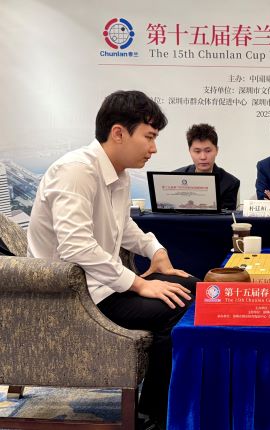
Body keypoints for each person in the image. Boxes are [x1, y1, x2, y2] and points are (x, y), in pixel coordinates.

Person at [27, 90, 198, 429]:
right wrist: (138, 284)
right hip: (73, 296)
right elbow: (75, 246)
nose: (154, 148)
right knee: (178, 307)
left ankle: (169, 400)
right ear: (119, 133)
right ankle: (152, 415)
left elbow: (124, 226)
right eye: (149, 137)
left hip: (101, 286)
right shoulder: (76, 171)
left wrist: (156, 251)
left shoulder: (118, 173)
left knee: (192, 287)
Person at [175, 123, 240, 211]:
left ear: (217, 150)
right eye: (197, 151)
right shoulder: (176, 177)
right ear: (189, 151)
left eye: (208, 151)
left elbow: (227, 216)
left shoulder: (230, 183)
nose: (203, 157)